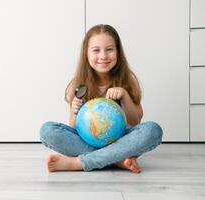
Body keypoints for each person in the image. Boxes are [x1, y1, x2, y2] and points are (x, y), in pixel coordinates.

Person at [40, 24, 162, 173]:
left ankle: (80, 163)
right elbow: (73, 128)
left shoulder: (127, 80)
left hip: (120, 140)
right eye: (96, 50)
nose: (103, 56)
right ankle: (117, 160)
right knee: (47, 130)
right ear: (86, 53)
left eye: (109, 49)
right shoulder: (78, 84)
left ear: (118, 52)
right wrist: (74, 111)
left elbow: (136, 120)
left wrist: (124, 95)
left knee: (153, 131)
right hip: (89, 141)